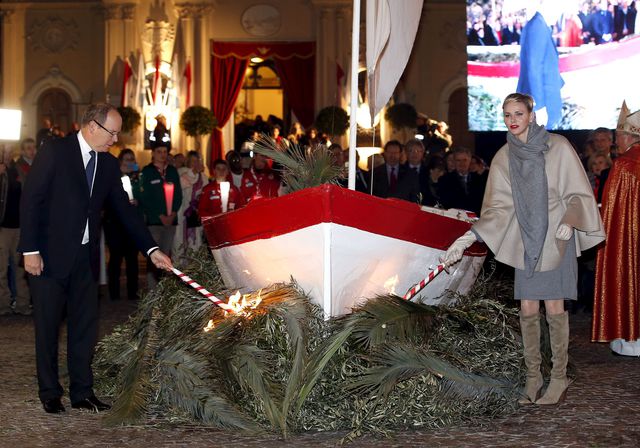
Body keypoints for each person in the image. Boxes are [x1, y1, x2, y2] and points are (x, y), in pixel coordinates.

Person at [443, 93, 604, 406]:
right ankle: (534, 378)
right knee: (528, 308)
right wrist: (466, 239)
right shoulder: (504, 157)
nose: (512, 120)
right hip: (527, 240)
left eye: (518, 113)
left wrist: (570, 221)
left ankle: (559, 377)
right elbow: (497, 209)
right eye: (506, 115)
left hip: (557, 237)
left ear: (531, 115)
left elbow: (578, 193)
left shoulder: (557, 147)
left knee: (554, 307)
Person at [18, 103, 173, 414]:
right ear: (92, 127)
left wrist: (152, 249)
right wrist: (30, 250)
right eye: (111, 132)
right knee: (47, 328)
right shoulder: (55, 151)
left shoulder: (107, 164)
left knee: (84, 328)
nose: (114, 139)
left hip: (86, 260)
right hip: (47, 257)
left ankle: (82, 392)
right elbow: (31, 199)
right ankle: (49, 392)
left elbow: (125, 212)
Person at [592, 103, 640, 356]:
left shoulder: (624, 165)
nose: (615, 141)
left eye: (618, 136)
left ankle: (631, 339)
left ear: (628, 136)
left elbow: (611, 210)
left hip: (629, 238)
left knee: (628, 276)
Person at [138, 145, 182, 289]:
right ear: (153, 153)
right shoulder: (147, 171)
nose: (162, 154)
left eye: (164, 152)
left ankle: (166, 290)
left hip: (170, 222)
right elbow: (144, 197)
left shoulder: (172, 171)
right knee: (155, 256)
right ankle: (153, 291)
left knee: (167, 255)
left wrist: (174, 212)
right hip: (155, 222)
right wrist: (159, 215)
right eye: (159, 151)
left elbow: (178, 195)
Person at [517, 0, 564, 129]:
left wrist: (559, 83)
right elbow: (534, 68)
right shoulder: (538, 26)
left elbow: (542, 63)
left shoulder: (539, 24)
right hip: (545, 101)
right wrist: (539, 106)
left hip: (546, 97)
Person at [103, 149, 141, 301]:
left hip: (131, 224)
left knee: (132, 258)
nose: (129, 162)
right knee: (116, 258)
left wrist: (138, 200)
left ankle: (133, 292)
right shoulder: (112, 177)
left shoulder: (137, 178)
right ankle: (114, 292)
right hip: (115, 223)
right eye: (126, 159)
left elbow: (142, 195)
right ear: (120, 162)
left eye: (131, 159)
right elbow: (107, 198)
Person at [0, 144, 30, 315]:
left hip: (19, 225)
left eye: (11, 150)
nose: (8, 152)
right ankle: (3, 304)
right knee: (2, 268)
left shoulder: (19, 169)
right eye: (5, 149)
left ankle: (23, 304)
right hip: (3, 227)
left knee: (20, 268)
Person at [173, 150, 208, 257]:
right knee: (180, 242)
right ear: (188, 162)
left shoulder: (203, 176)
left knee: (196, 242)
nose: (195, 163)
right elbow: (182, 184)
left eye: (197, 161)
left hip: (195, 214)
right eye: (193, 161)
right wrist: (193, 173)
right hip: (183, 213)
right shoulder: (181, 172)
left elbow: (205, 192)